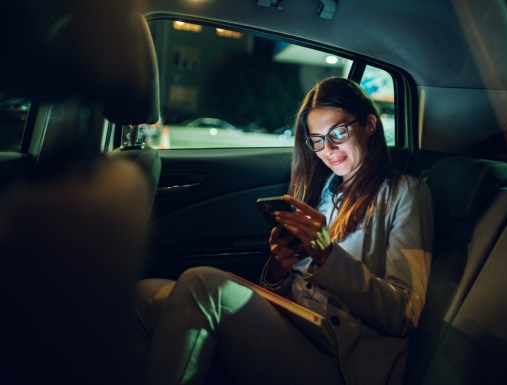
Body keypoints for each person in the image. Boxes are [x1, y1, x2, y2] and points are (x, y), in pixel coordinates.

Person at [130, 77, 433, 385]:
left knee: (201, 283)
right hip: (299, 323)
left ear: (369, 124)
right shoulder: (322, 191)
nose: (327, 149)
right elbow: (298, 285)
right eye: (317, 139)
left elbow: (403, 313)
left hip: (342, 356)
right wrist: (278, 270)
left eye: (338, 133)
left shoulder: (404, 193)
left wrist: (328, 255)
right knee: (144, 295)